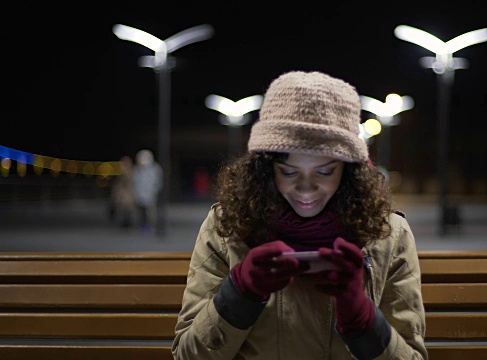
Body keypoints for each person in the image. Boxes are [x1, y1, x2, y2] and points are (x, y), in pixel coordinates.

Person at [172, 71, 427, 359]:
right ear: (265, 169)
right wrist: (239, 294)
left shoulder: (389, 233)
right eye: (289, 171)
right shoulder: (225, 227)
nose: (306, 190)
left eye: (325, 171)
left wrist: (364, 322)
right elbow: (187, 355)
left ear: (349, 170)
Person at [132, 149, 163, 234]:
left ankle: (150, 226)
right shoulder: (137, 170)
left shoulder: (155, 169)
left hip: (150, 195)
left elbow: (157, 182)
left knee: (150, 212)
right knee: (141, 212)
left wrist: (153, 191)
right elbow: (134, 182)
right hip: (139, 195)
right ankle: (142, 225)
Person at [108, 155, 135, 228]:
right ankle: (123, 222)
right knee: (122, 208)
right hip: (122, 193)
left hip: (127, 193)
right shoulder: (121, 172)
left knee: (127, 209)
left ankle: (127, 222)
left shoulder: (130, 172)